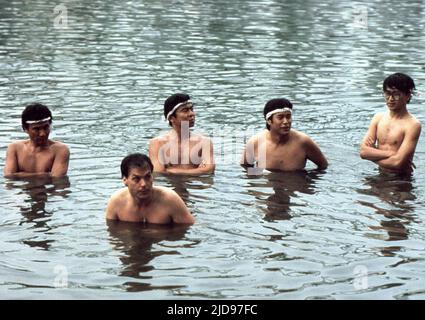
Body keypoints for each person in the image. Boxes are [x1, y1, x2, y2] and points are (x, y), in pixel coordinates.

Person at [241, 98, 328, 172]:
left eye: (288, 116)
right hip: (267, 188)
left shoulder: (303, 142)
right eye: (280, 117)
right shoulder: (255, 142)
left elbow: (323, 166)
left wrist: (306, 182)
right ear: (269, 121)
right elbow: (246, 168)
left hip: (295, 187)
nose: (286, 122)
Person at [105, 153, 195, 224]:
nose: (143, 184)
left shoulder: (170, 200)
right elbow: (113, 237)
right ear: (125, 180)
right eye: (136, 179)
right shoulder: (117, 202)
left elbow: (189, 228)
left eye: (147, 177)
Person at [360, 73, 422, 175]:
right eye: (387, 93)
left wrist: (371, 155)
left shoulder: (412, 125)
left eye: (396, 94)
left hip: (401, 179)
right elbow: (363, 152)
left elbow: (397, 163)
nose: (390, 99)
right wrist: (392, 153)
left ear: (407, 96)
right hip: (379, 174)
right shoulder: (378, 118)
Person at [149, 93, 215, 175]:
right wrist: (198, 171)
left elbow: (209, 170)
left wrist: (171, 170)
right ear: (171, 118)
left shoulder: (204, 142)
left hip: (194, 187)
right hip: (169, 187)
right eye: (185, 110)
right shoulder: (157, 143)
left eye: (192, 109)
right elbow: (158, 173)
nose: (192, 114)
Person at [3, 103, 70, 178]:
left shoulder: (60, 150)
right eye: (36, 129)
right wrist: (47, 175)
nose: (42, 134)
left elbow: (58, 179)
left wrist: (20, 175)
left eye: (46, 127)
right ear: (25, 129)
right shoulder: (14, 148)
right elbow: (9, 178)